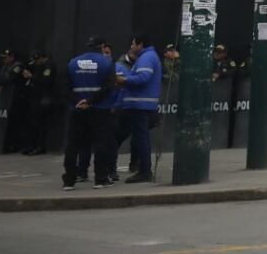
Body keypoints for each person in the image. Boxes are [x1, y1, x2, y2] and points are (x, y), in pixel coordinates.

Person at [64, 36, 115, 190]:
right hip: (100, 109)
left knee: (73, 145)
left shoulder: (73, 63)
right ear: (101, 47)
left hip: (77, 110)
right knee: (100, 144)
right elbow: (108, 87)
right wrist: (91, 101)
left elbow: (65, 88)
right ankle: (100, 179)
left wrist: (78, 102)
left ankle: (69, 181)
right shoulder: (107, 62)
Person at [111, 35, 161, 184]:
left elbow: (143, 78)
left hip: (139, 106)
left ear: (140, 44)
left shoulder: (146, 58)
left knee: (140, 138)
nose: (131, 47)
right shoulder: (148, 57)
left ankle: (145, 171)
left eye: (133, 44)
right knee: (138, 138)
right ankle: (143, 169)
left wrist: (124, 80)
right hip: (138, 106)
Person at [19, 51, 56, 155]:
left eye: (38, 59)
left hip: (43, 98)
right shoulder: (37, 66)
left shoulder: (49, 66)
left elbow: (46, 81)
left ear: (44, 58)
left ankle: (40, 146)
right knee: (33, 123)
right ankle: (31, 145)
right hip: (34, 97)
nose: (37, 62)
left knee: (40, 123)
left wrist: (31, 77)